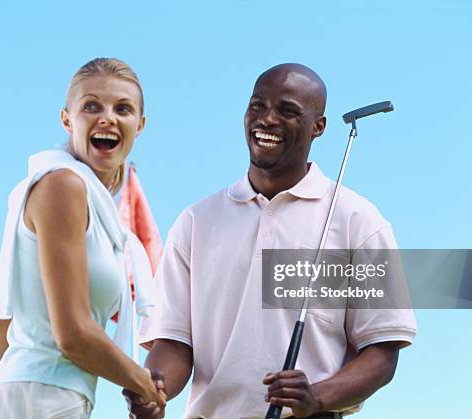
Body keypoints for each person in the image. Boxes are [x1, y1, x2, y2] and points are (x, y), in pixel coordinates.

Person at [125, 63, 417, 419]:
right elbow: (174, 341)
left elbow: (382, 352)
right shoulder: (195, 222)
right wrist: (154, 391)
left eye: (288, 111)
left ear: (318, 127)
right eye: (257, 106)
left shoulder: (359, 221)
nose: (266, 120)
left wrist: (318, 397)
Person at [0, 58, 166, 418]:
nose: (107, 117)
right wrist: (143, 384)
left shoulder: (94, 208)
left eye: (122, 108)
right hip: (39, 399)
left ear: (139, 126)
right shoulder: (62, 185)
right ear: (67, 119)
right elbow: (72, 335)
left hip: (30, 400)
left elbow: (1, 326)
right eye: (91, 106)